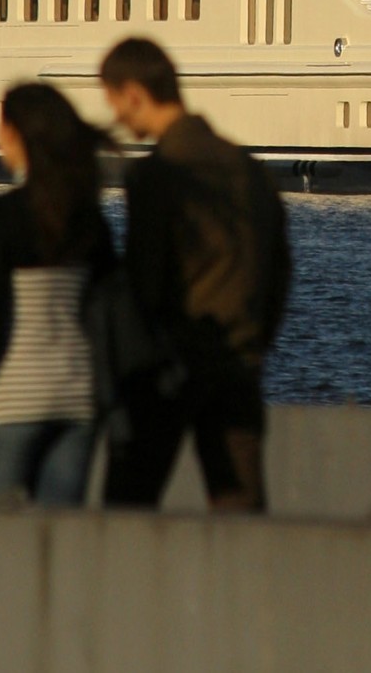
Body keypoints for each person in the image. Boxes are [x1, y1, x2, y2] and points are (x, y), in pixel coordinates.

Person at [99, 37, 290, 513]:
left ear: (135, 95)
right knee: (240, 516)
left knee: (126, 509)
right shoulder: (248, 170)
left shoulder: (156, 176)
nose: (118, 120)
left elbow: (146, 281)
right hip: (238, 364)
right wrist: (252, 342)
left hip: (171, 369)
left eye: (116, 105)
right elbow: (280, 269)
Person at [0, 83, 115, 505]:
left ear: (19, 135)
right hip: (78, 400)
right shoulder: (89, 219)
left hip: (15, 400)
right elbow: (104, 315)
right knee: (62, 540)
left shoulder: (1, 219)